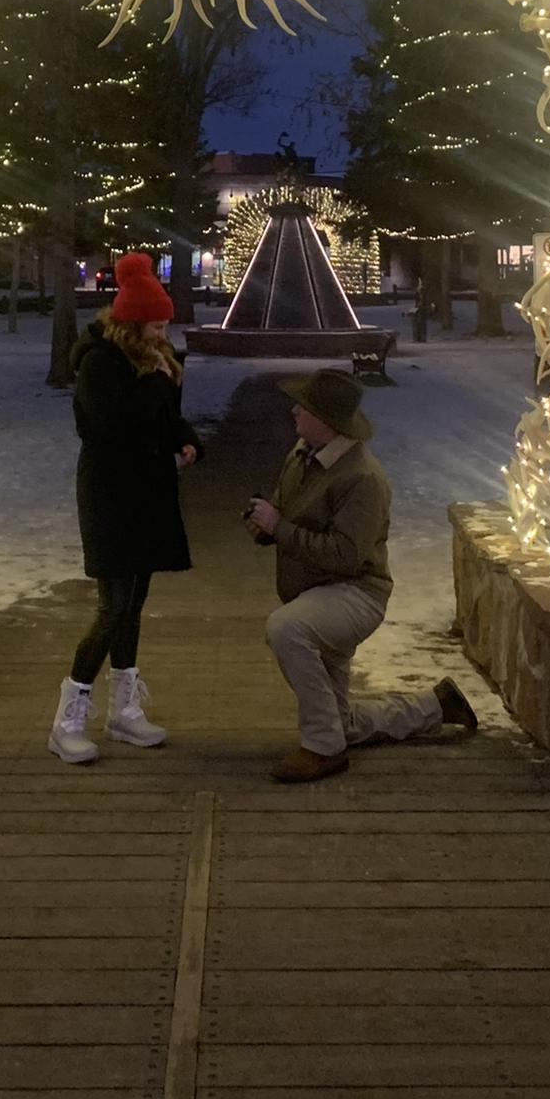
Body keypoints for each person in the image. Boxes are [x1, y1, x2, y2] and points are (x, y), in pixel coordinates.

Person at [244, 368, 478, 783]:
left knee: (286, 629)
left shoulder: (363, 477)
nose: (294, 411)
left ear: (326, 419)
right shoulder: (303, 454)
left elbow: (346, 556)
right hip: (314, 593)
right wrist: (265, 525)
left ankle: (323, 749)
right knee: (341, 721)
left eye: (304, 406)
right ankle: (435, 706)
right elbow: (287, 511)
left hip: (354, 594)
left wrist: (279, 527)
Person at [49, 252, 202, 765]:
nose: (163, 334)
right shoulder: (101, 363)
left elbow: (165, 418)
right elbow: (115, 428)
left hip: (148, 490)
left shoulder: (156, 359)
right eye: (156, 326)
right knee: (112, 606)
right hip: (110, 494)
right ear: (131, 325)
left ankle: (124, 710)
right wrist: (157, 380)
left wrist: (186, 440)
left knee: (134, 603)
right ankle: (68, 719)